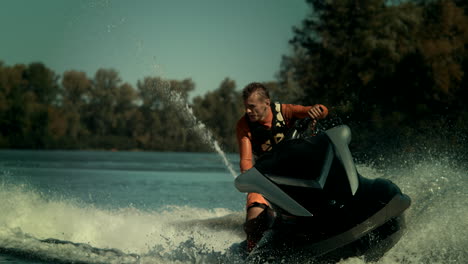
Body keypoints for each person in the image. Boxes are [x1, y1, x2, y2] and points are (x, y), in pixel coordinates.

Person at [236, 82, 328, 252]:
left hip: (296, 174)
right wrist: (251, 178)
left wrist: (318, 110)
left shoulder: (285, 111)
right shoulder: (244, 125)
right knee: (253, 220)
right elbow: (246, 161)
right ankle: (253, 253)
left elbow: (320, 110)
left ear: (266, 103)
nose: (248, 111)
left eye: (252, 107)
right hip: (265, 179)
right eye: (246, 107)